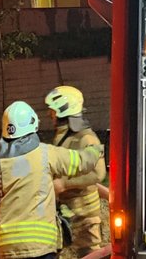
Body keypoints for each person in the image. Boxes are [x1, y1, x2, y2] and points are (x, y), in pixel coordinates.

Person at [0, 101, 103, 259]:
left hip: (3, 248)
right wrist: (96, 149)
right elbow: (81, 161)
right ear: (33, 125)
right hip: (39, 246)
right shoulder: (45, 154)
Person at [45, 86, 106, 257]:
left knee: (89, 254)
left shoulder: (85, 138)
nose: (50, 114)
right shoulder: (64, 136)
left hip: (85, 215)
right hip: (67, 211)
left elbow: (98, 174)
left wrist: (63, 184)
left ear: (63, 110)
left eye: (52, 110)